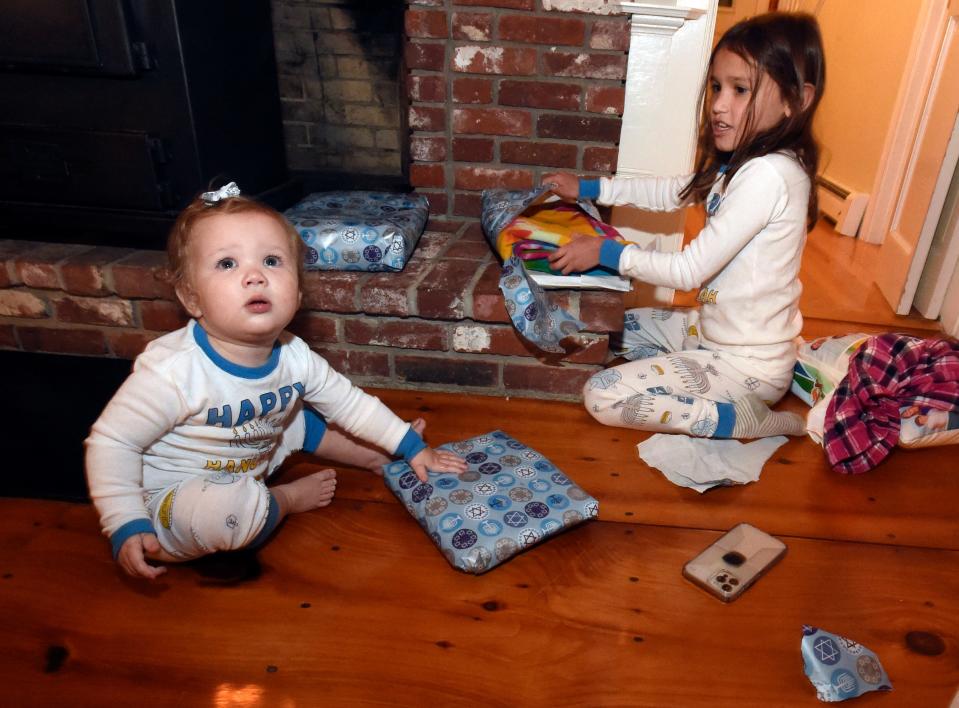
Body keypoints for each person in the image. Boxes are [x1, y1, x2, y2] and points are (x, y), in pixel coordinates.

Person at [86, 183, 468, 580]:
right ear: (191, 297)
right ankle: (282, 501)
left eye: (271, 260)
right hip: (171, 502)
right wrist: (125, 520)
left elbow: (349, 403)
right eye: (227, 264)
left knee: (296, 419)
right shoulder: (173, 372)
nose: (254, 276)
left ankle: (374, 457)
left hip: (250, 455)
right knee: (229, 514)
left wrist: (410, 445)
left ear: (298, 293)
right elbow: (113, 443)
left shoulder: (294, 355)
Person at [542, 12, 824, 439]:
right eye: (716, 87)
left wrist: (606, 252)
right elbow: (672, 190)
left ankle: (739, 420)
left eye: (740, 90)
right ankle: (696, 381)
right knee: (614, 328)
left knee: (601, 395)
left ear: (796, 101)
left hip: (747, 365)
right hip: (711, 333)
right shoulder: (741, 163)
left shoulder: (770, 175)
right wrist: (590, 187)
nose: (718, 104)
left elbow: (689, 271)